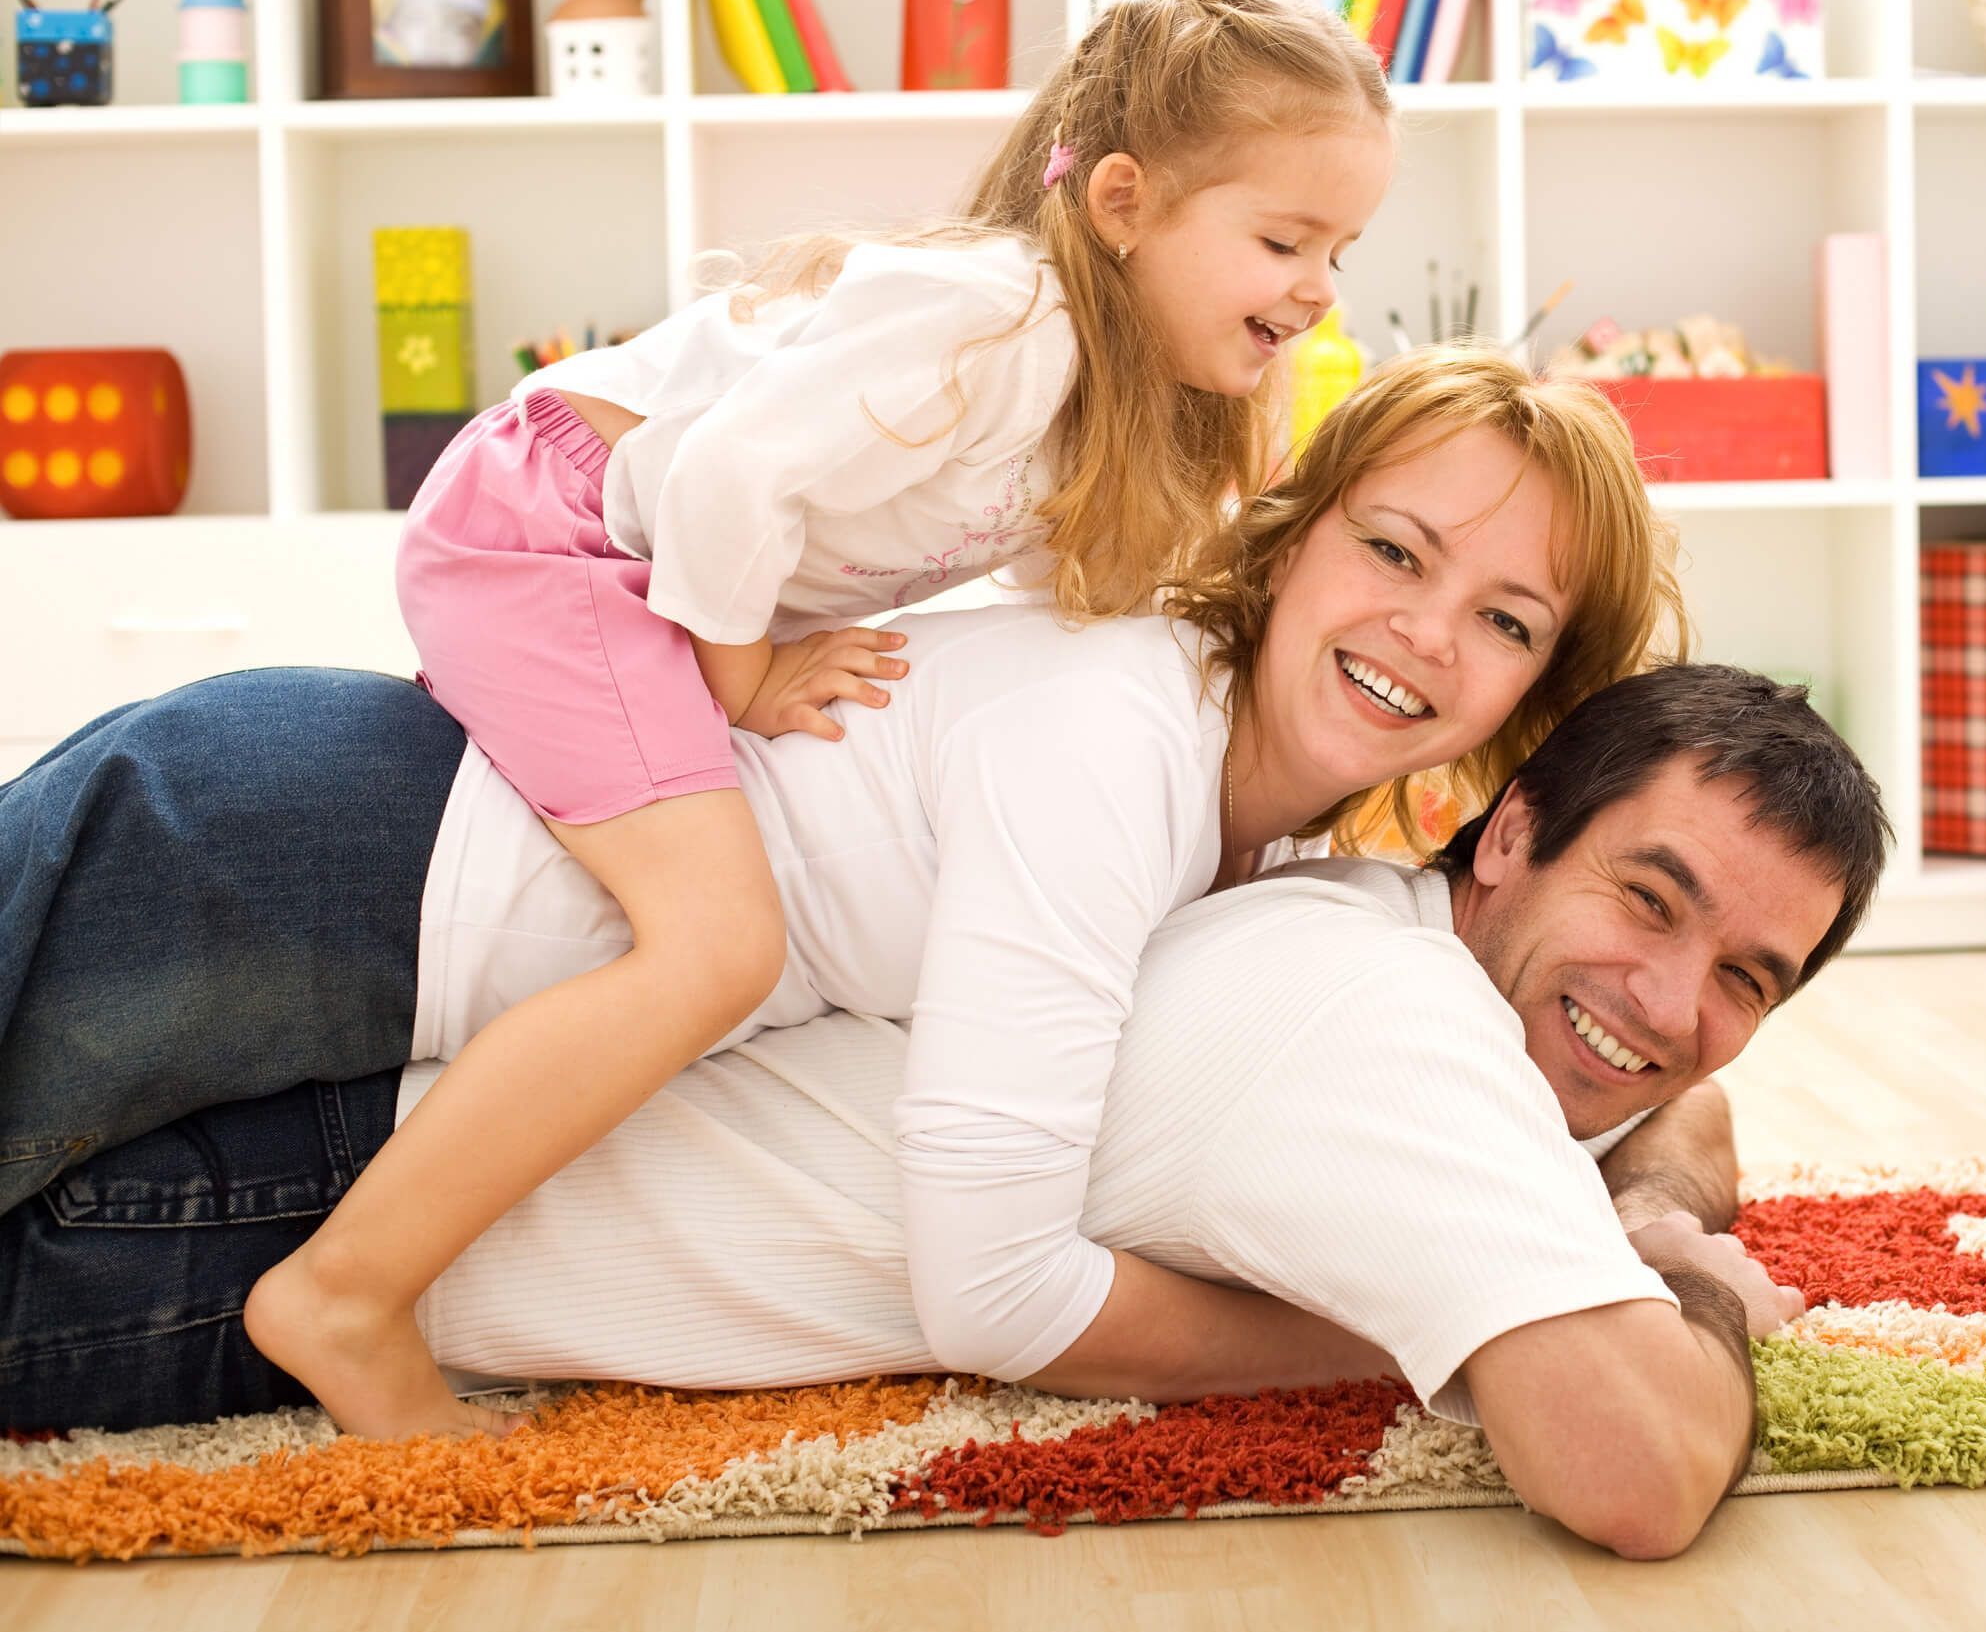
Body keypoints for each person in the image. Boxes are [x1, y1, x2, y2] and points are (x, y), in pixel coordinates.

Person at [1, 345, 1681, 1440]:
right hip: (309, 847)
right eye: (1393, 552)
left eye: (1506, 619)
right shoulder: (1119, 733)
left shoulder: (1273, 849)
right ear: (1291, 536)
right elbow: (994, 1287)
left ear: (1530, 698)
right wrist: (1388, 1328)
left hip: (376, 919)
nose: (1423, 632)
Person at [0, 664, 1889, 1560]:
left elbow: (1635, 1102)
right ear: (1506, 839)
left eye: (1748, 977)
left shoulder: (1346, 913)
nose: (1670, 1002)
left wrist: (1649, 1160)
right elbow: (1637, 1472)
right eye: (1648, 900)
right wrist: (1676, 1268)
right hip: (243, 1198)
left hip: (352, 1081)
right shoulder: (1388, 1039)